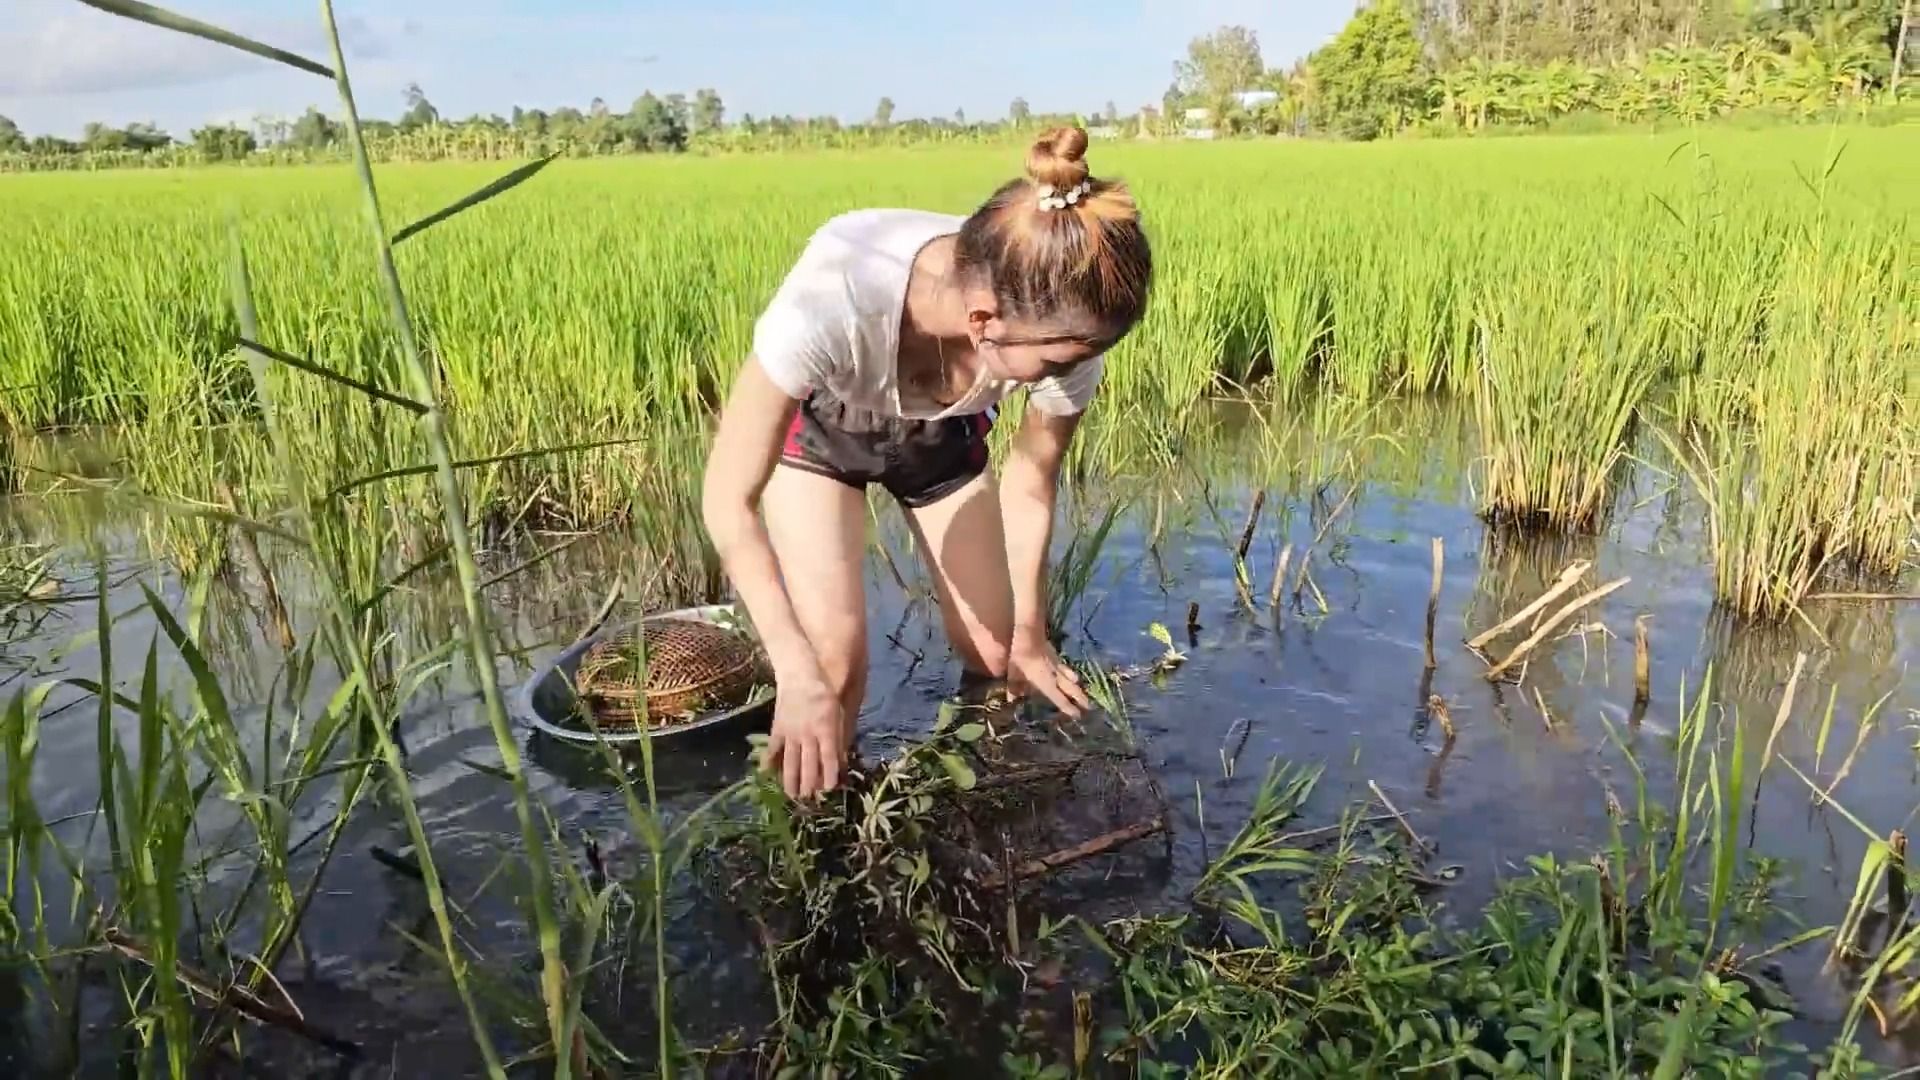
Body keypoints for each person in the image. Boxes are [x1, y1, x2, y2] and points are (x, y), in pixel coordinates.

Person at [701, 125, 1153, 800]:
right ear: (983, 320)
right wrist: (793, 672)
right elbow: (728, 499)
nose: (1074, 372)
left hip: (945, 433)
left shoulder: (1061, 322)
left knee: (1002, 659)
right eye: (1059, 360)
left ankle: (981, 793)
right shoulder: (832, 301)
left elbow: (1032, 480)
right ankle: (818, 832)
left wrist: (1030, 633)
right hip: (825, 432)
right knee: (831, 671)